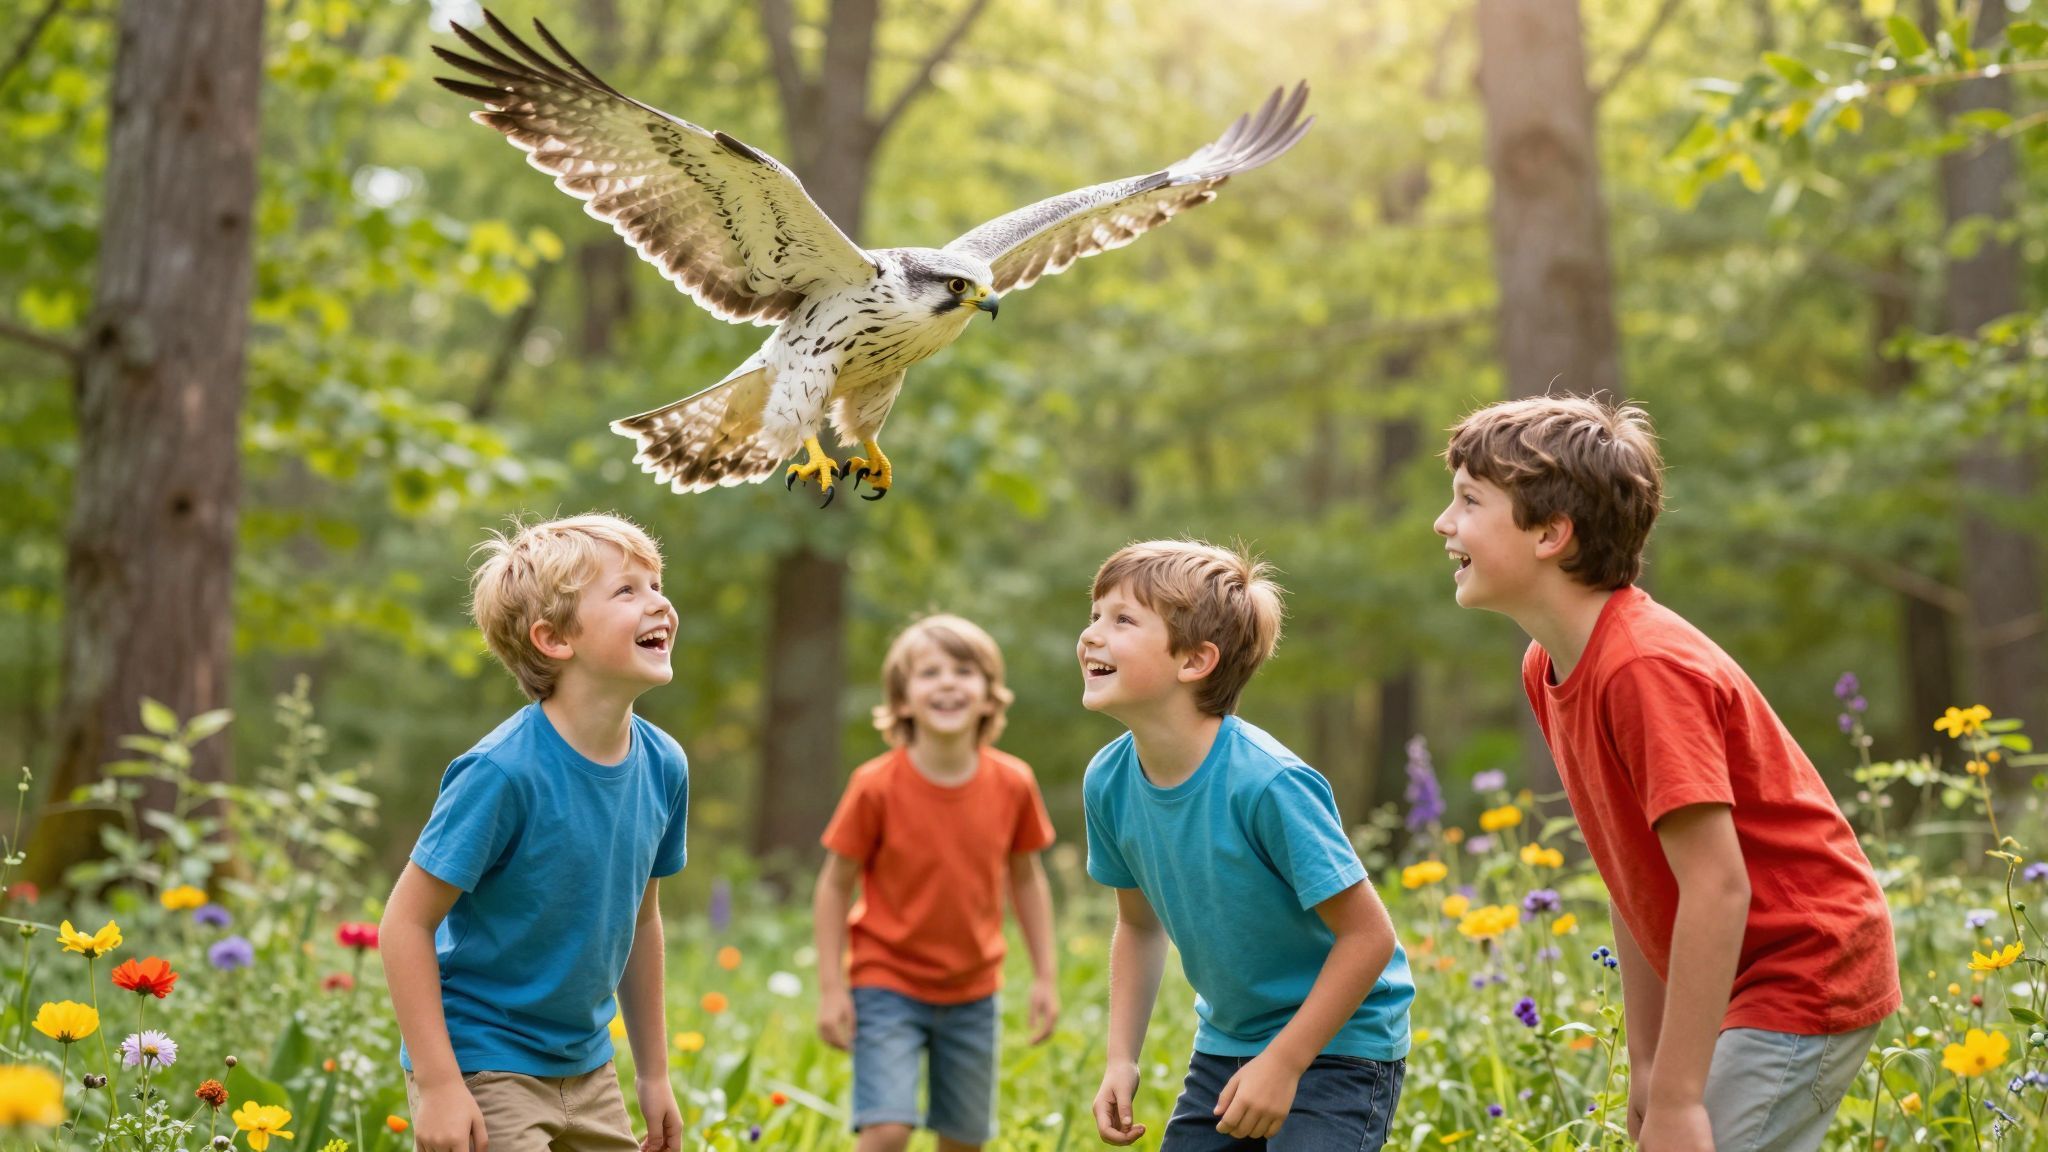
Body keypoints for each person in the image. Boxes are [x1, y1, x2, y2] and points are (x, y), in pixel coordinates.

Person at [1435, 395, 1900, 1152]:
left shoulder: (1643, 669)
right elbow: (1636, 874)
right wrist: (1648, 1064)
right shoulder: (1550, 666)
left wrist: (1682, 1100)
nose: (1443, 523)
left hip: (1802, 963)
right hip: (1737, 975)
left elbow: (1718, 884)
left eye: (1468, 501)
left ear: (1552, 534)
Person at [1080, 540, 1412, 1150]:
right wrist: (1120, 1059)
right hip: (1228, 1043)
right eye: (1095, 615)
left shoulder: (1267, 783)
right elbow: (1139, 927)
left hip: (1340, 1047)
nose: (1092, 635)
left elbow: (1370, 937)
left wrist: (1284, 1064)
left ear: (1195, 661)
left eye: (1122, 619)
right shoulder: (1108, 780)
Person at [381, 514, 690, 1152]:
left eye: (656, 584)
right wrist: (440, 1085)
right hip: (483, 1059)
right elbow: (404, 924)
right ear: (554, 639)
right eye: (626, 591)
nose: (659, 601)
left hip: (586, 1064)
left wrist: (655, 1074)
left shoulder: (664, 766)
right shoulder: (502, 773)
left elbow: (643, 921)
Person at [814, 614, 1059, 1152]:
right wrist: (833, 988)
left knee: (963, 1141)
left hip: (974, 989)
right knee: (886, 1129)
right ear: (902, 701)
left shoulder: (1013, 782)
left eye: (964, 671)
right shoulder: (874, 786)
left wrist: (1045, 975)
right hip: (886, 981)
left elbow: (1027, 879)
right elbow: (834, 886)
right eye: (929, 673)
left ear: (990, 696)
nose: (947, 682)